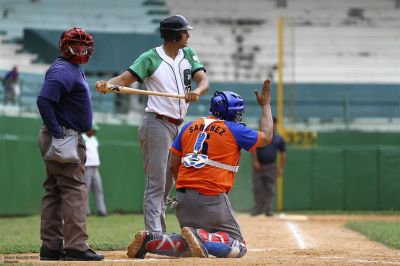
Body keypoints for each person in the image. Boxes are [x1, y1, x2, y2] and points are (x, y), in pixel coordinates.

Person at [127, 79, 274, 259]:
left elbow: (173, 165)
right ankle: (202, 236)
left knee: (189, 246)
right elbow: (267, 136)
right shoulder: (234, 129)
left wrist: (186, 190)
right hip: (212, 199)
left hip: (182, 201)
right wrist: (266, 105)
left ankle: (151, 241)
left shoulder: (188, 126)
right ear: (232, 113)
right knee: (238, 245)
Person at [96, 15, 209, 234]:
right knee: (157, 183)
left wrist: (197, 92)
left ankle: (176, 231)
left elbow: (203, 81)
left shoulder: (188, 53)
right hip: (157, 123)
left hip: (179, 126)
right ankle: (155, 235)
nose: (188, 35)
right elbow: (123, 80)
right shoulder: (150, 58)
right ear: (175, 35)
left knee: (173, 183)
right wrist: (107, 85)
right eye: (185, 32)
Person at [36, 27, 104, 261]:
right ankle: (76, 246)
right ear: (64, 46)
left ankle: (51, 247)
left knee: (54, 190)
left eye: (84, 45)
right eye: (77, 44)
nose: (82, 49)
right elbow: (44, 101)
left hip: (61, 134)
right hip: (64, 135)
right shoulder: (63, 70)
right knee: (75, 189)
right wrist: (58, 134)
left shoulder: (69, 68)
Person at [251, 116, 286, 217]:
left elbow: (283, 154)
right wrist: (255, 161)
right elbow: (253, 148)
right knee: (257, 188)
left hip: (271, 166)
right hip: (259, 166)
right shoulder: (259, 136)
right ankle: (258, 208)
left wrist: (281, 168)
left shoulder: (278, 139)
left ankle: (268, 209)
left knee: (269, 189)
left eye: (273, 123)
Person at [83, 123, 108, 217]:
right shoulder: (82, 138)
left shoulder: (94, 139)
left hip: (95, 168)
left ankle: (101, 210)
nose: (95, 132)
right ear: (88, 130)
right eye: (93, 130)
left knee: (99, 190)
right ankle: (85, 211)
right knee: (85, 191)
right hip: (86, 168)